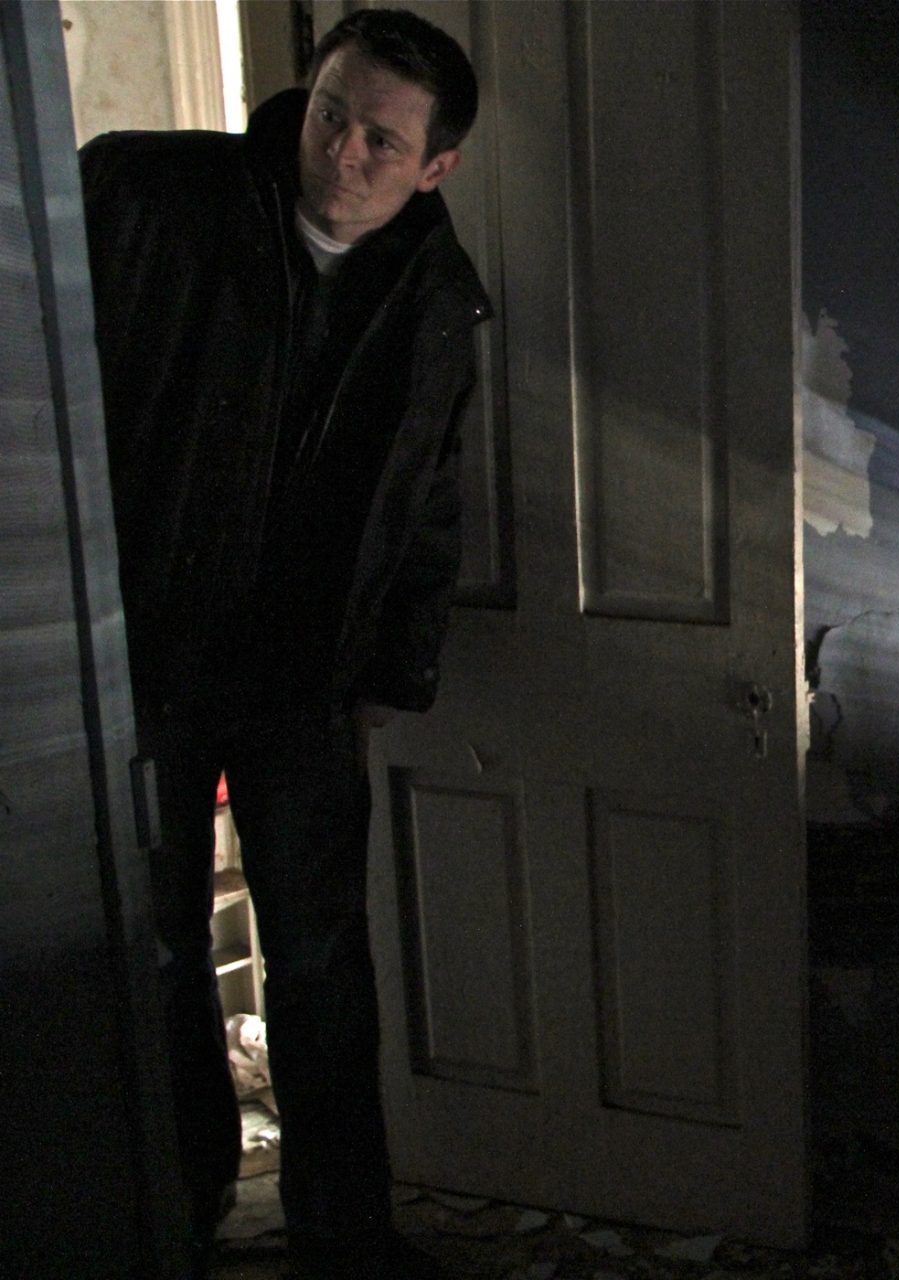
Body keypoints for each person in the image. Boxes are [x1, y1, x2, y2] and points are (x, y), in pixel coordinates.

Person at [80, 9, 489, 1277]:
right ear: (299, 96)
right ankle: (177, 1202)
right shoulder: (156, 198)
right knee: (151, 952)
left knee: (317, 957)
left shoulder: (433, 299)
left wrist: (389, 673)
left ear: (434, 166)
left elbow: (427, 501)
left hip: (300, 678)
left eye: (382, 137)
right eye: (330, 112)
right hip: (140, 654)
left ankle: (341, 1233)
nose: (344, 152)